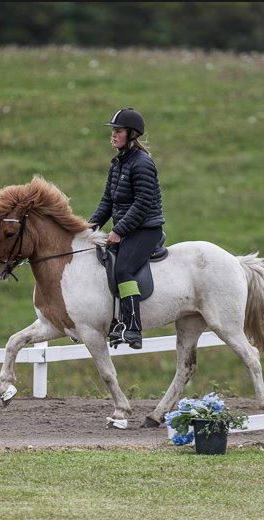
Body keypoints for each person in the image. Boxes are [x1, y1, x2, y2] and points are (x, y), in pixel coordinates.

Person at [88, 108, 165, 349]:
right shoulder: (118, 164)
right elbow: (107, 202)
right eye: (113, 130)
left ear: (131, 134)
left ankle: (132, 329)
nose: (113, 135)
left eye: (118, 131)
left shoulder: (142, 164)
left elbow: (142, 204)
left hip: (146, 229)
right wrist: (88, 228)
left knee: (123, 269)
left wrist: (119, 230)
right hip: (129, 228)